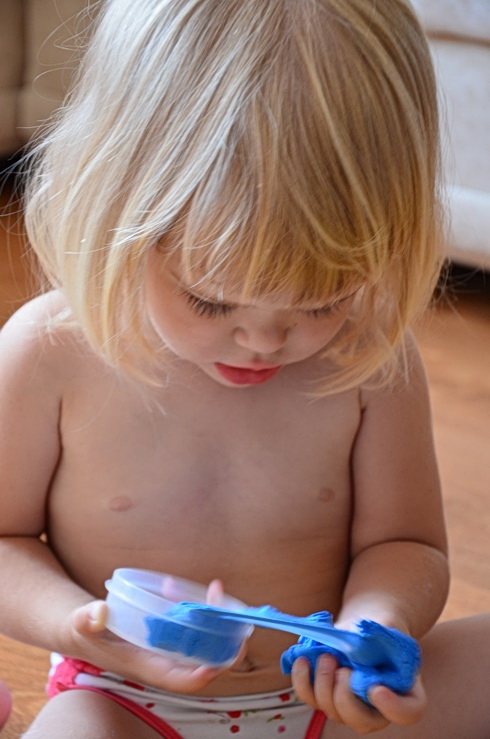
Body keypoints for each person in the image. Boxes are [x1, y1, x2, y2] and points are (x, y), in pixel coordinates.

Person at [0, 0, 488, 736]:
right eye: (210, 299)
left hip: (327, 706)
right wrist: (77, 623)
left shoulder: (369, 358)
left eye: (322, 301)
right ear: (118, 213)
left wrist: (375, 625)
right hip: (127, 702)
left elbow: (406, 545)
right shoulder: (50, 354)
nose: (263, 340)